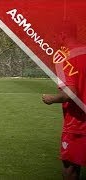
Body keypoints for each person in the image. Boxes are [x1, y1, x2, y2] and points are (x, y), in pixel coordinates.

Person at [42, 22, 86, 180]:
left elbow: (70, 93)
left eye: (56, 36)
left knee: (70, 170)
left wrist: (50, 99)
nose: (55, 40)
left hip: (78, 123)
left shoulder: (62, 56)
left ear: (63, 35)